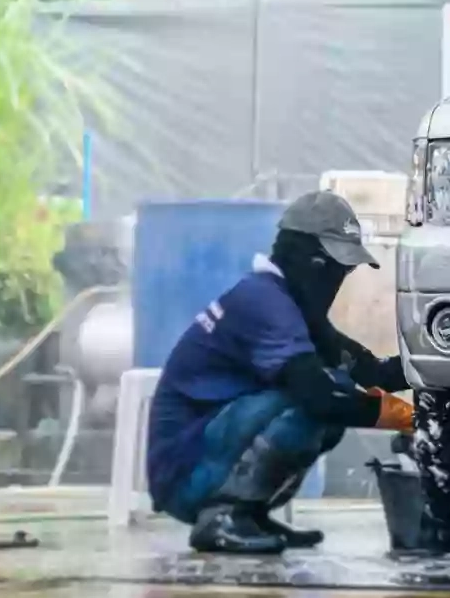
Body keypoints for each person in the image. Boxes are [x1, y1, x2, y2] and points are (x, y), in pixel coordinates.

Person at [146, 192, 418, 555]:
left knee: (334, 400)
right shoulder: (264, 302)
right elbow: (318, 396)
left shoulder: (291, 304)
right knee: (316, 404)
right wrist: (400, 416)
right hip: (185, 472)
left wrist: (435, 365)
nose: (338, 279)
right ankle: (224, 515)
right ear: (310, 260)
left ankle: (251, 512)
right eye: (336, 268)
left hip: (205, 453)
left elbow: (373, 372)